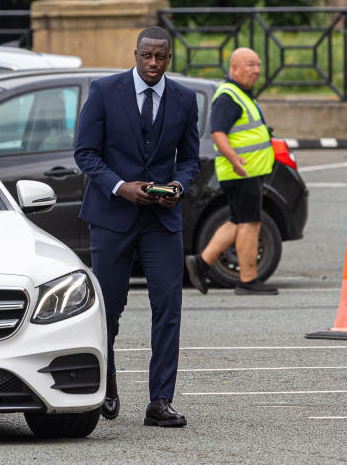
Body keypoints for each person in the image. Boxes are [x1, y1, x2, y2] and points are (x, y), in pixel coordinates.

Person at [74, 26, 200, 427]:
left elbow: (190, 160)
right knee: (107, 309)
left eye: (160, 57)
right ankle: (105, 384)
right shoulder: (104, 91)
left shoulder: (183, 99)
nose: (153, 63)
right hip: (112, 217)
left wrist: (178, 185)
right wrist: (120, 187)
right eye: (147, 56)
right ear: (136, 54)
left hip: (162, 220)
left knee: (168, 308)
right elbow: (85, 153)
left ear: (169, 59)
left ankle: (160, 401)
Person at [185, 47, 278, 296]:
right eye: (250, 65)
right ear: (234, 68)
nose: (256, 70)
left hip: (245, 172)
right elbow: (218, 132)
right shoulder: (229, 96)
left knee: (238, 221)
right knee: (250, 223)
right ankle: (248, 280)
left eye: (258, 65)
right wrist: (235, 159)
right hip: (240, 172)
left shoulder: (239, 93)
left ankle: (201, 263)